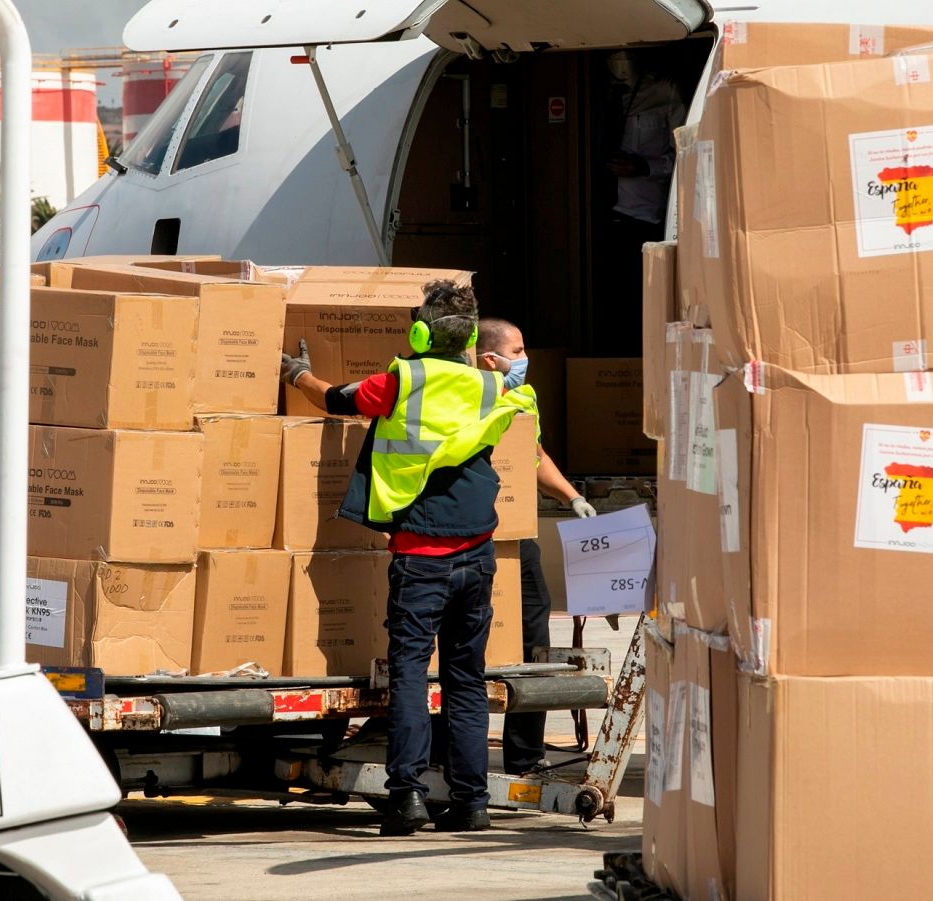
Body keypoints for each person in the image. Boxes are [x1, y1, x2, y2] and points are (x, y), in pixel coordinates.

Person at [280, 280, 536, 836]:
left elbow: (335, 400)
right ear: (469, 339)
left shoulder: (403, 380)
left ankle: (408, 797)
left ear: (420, 332)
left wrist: (295, 373)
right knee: (467, 679)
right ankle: (471, 802)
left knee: (411, 677)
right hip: (478, 553)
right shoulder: (493, 387)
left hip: (421, 555)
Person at [475, 318, 597, 775]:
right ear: (491, 358)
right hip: (471, 533)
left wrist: (572, 496)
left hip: (517, 532)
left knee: (533, 632)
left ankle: (524, 755)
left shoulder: (523, 398)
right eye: (518, 350)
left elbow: (535, 454)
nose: (525, 359)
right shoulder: (461, 396)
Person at [599, 49, 687, 354]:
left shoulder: (664, 91)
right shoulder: (592, 90)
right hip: (595, 214)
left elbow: (685, 153)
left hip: (643, 215)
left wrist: (644, 167)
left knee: (638, 300)